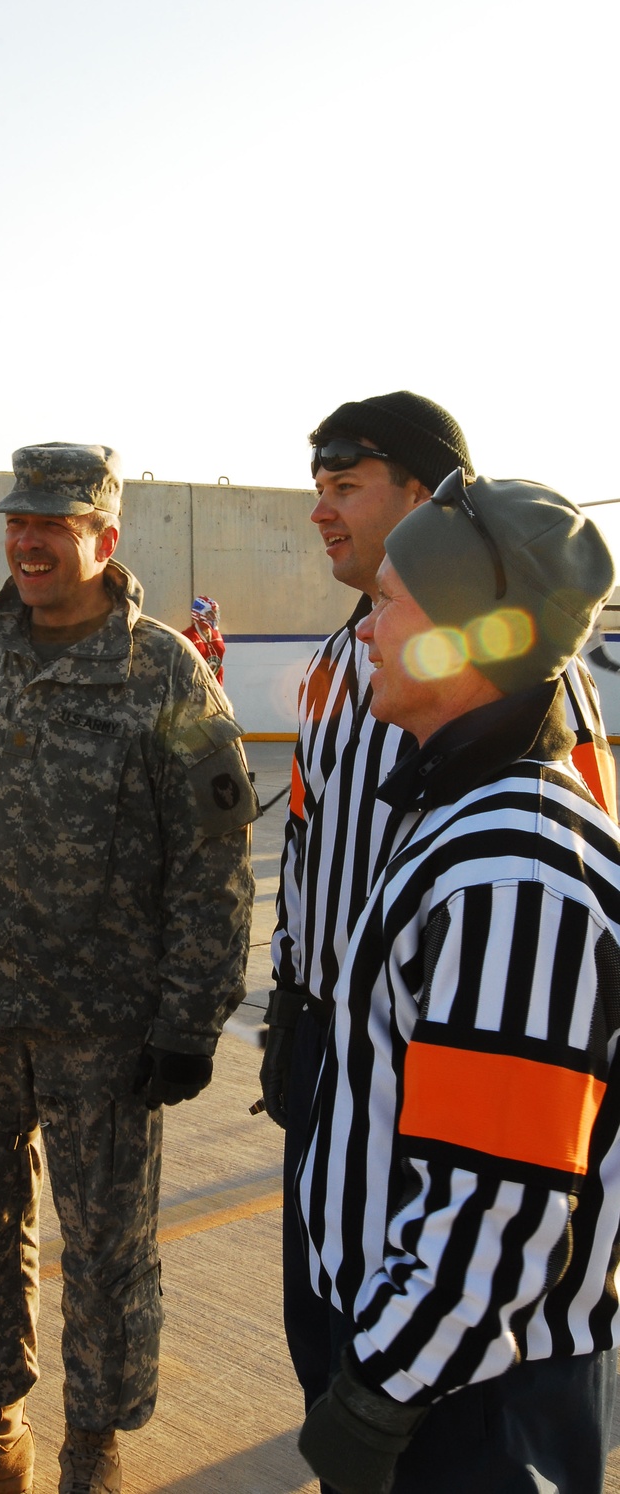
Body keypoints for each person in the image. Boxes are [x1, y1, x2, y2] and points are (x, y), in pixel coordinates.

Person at [0, 441, 258, 1494]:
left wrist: (192, 1013)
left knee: (105, 1246)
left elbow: (212, 860)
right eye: (19, 523)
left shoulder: (164, 670)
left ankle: (95, 1447)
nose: (29, 541)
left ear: (104, 537)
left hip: (110, 1025)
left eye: (54, 524)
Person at [259, 393, 616, 1435]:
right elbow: (312, 847)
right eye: (314, 490)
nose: (321, 513)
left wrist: (383, 1397)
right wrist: (295, 997)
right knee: (326, 1329)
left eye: (345, 487)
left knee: (419, 1356)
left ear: (421, 495)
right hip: (345, 1040)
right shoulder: (343, 664)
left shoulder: (537, 724)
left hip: (459, 1060)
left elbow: (546, 975)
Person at [182, 594, 225, 685]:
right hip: (195, 690)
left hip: (214, 688)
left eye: (214, 613)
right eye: (209, 613)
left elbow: (218, 668)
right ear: (198, 615)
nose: (214, 617)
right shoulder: (188, 638)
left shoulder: (217, 636)